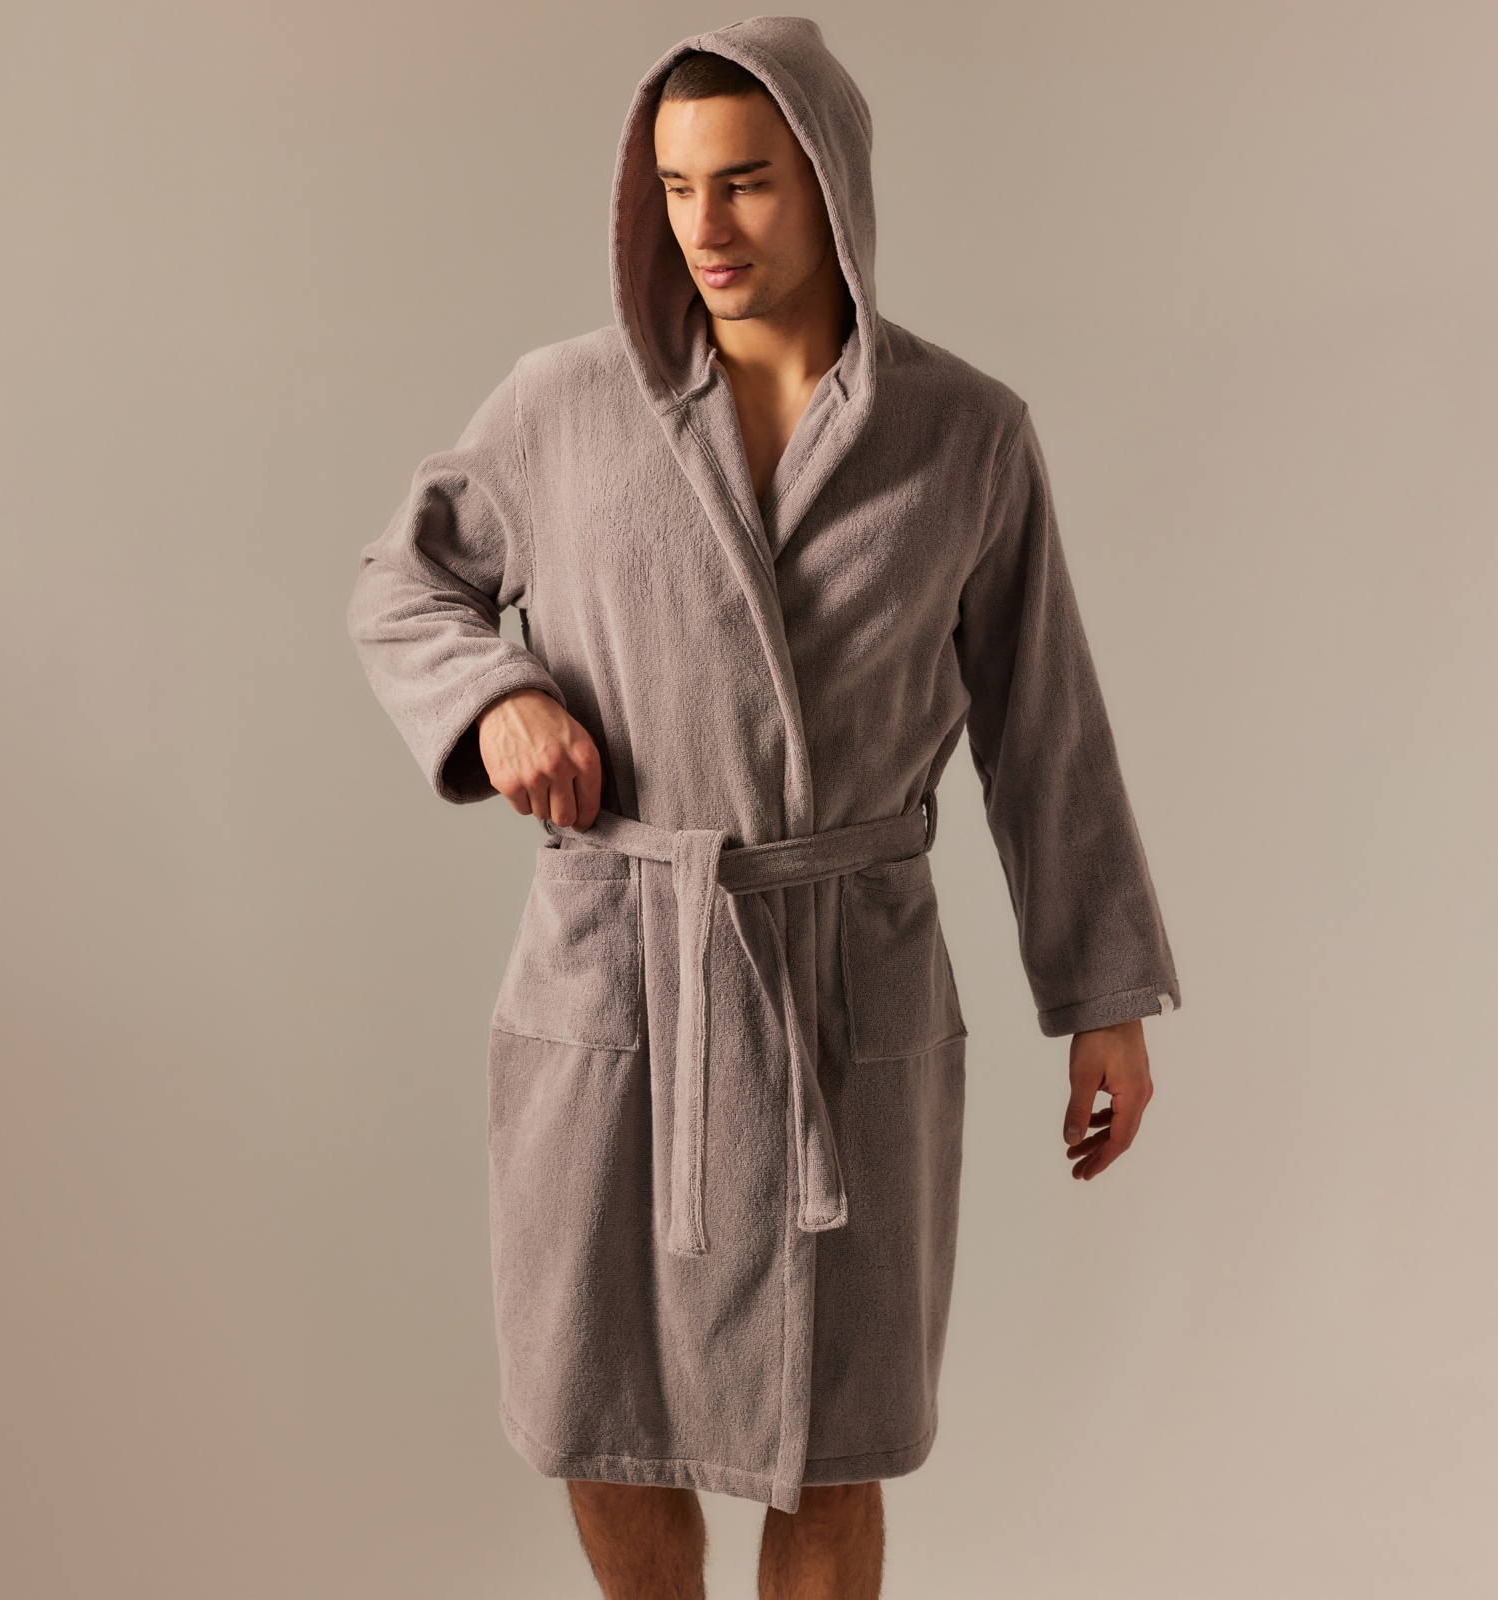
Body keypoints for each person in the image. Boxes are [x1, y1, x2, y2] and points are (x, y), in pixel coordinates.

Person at [347, 16, 1179, 1600]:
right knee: (602, 1417)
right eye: (675, 189)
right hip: (619, 971)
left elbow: (1045, 734)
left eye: (745, 183)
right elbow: (404, 585)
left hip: (845, 978)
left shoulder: (964, 435)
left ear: (832, 182)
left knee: (839, 1433)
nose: (707, 229)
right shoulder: (561, 406)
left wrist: (1107, 1004)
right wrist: (498, 696)